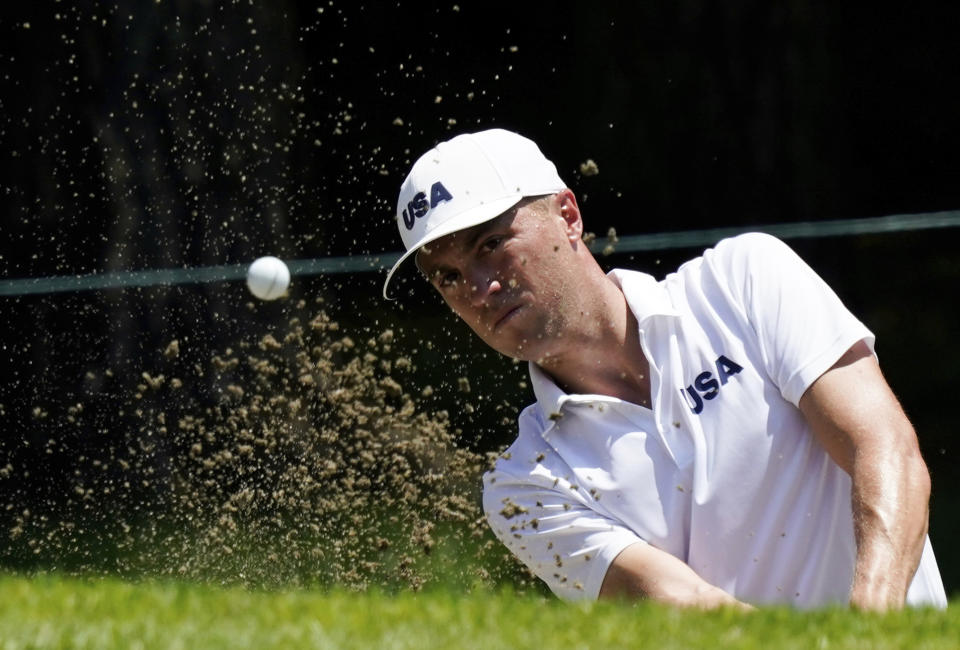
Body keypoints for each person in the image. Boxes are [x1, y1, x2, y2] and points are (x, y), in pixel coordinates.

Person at [382, 128, 947, 610]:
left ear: (568, 216)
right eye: (448, 277)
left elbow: (886, 451)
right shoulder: (524, 486)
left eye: (491, 244)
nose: (479, 289)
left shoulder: (745, 280)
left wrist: (872, 630)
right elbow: (692, 612)